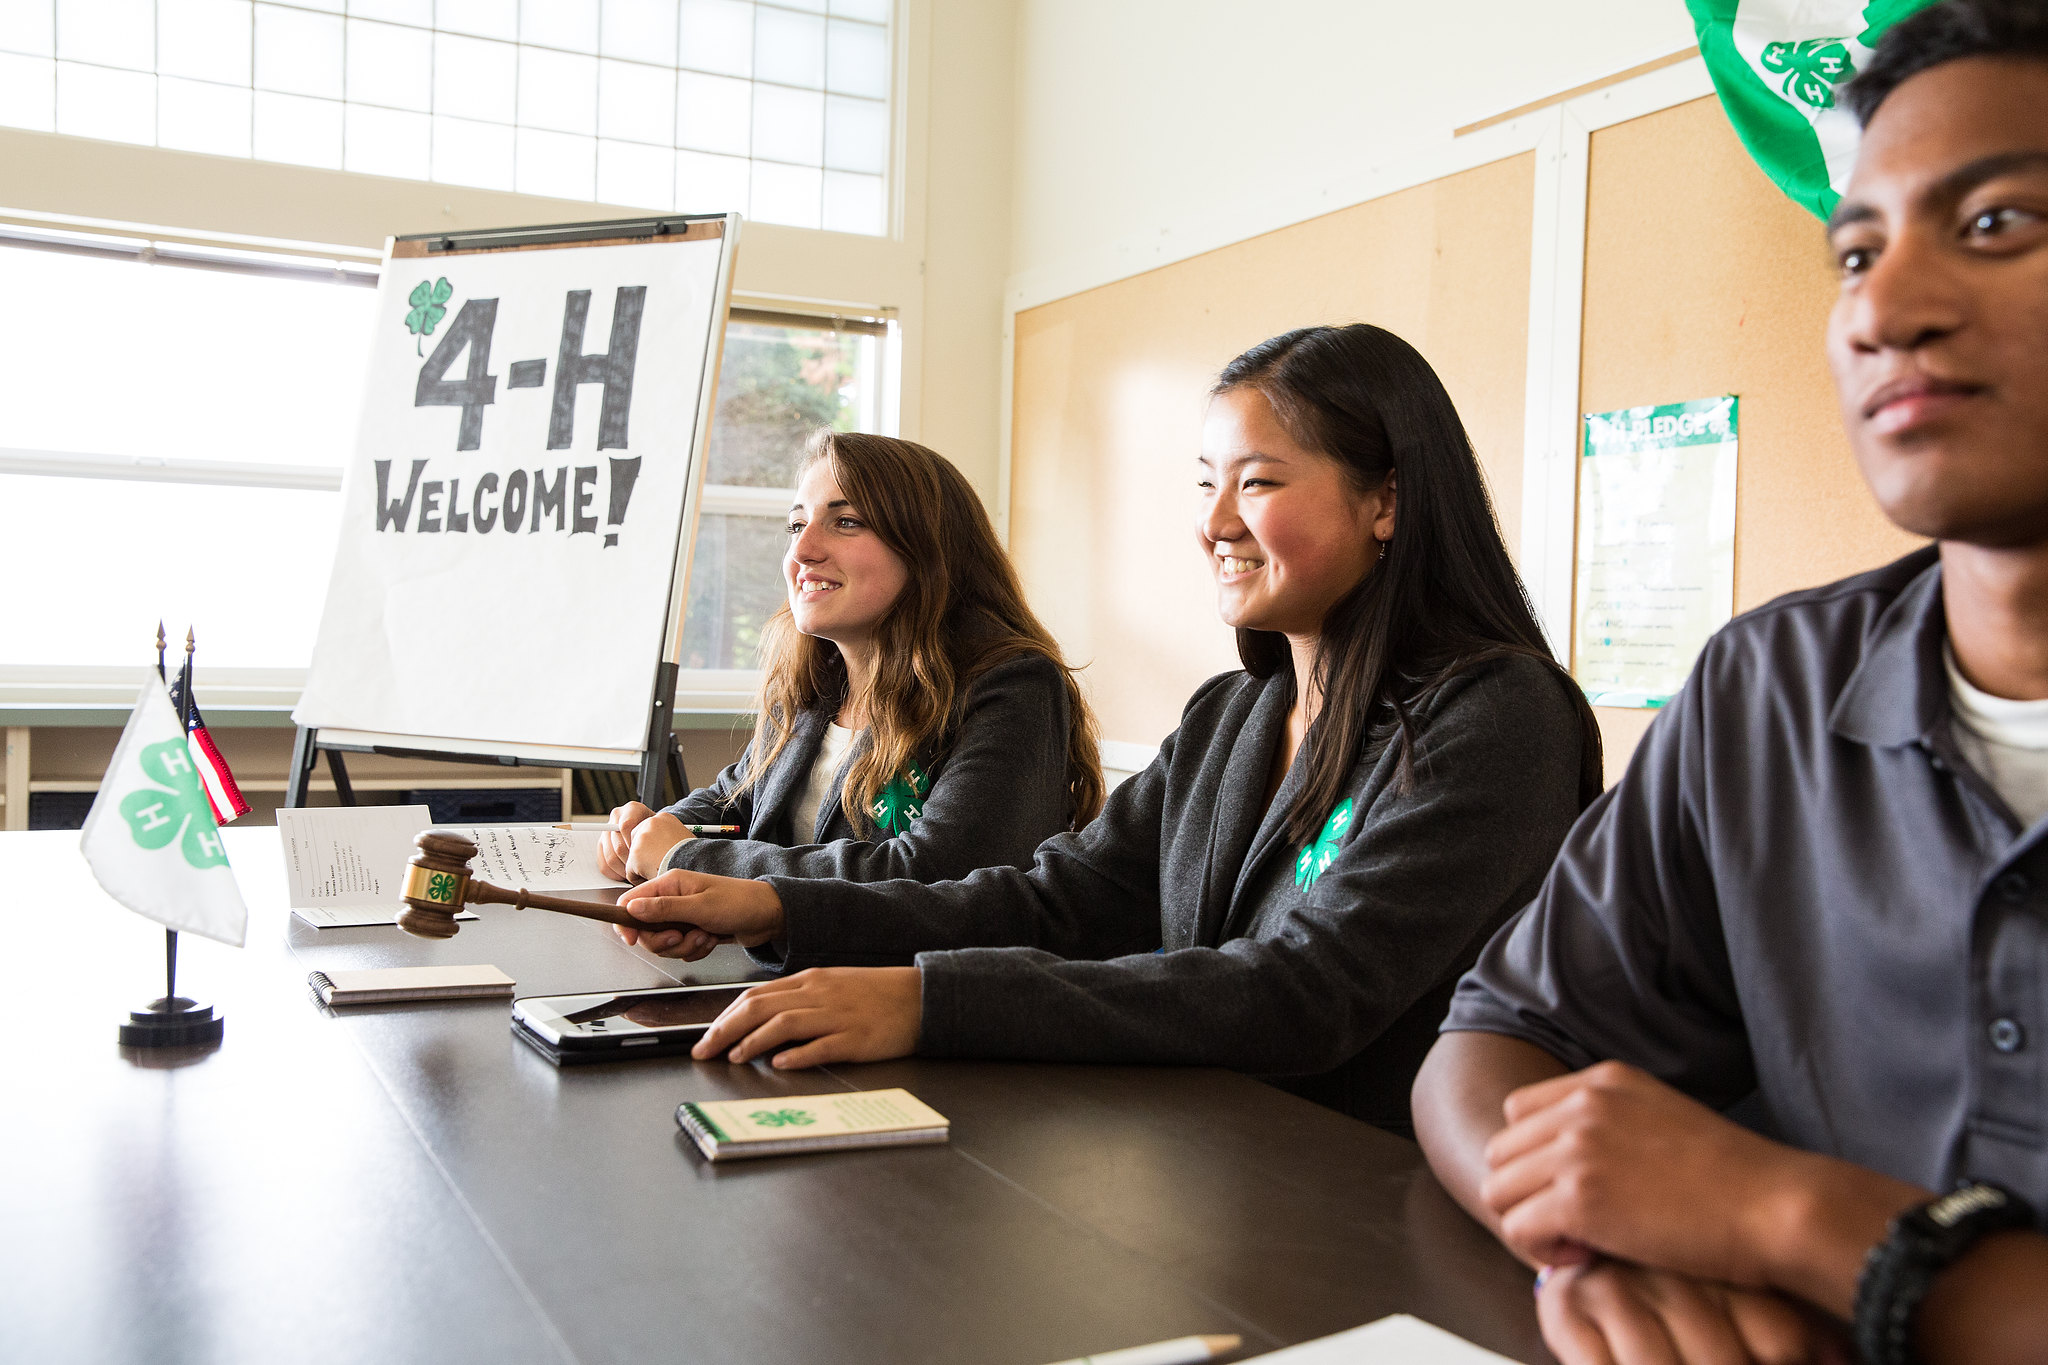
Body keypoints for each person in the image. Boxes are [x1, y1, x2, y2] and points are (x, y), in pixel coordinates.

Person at [1409, 5, 2048, 1361]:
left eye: (1996, 224)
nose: (1882, 308)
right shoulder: (1769, 688)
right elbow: (1493, 1046)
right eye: (1856, 250)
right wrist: (1596, 1243)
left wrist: (1790, 1218)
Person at [615, 323, 1604, 1133]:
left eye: (1256, 483)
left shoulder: (1499, 716)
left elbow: (1305, 993)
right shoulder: (1233, 716)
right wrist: (782, 910)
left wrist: (931, 1002)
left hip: (1366, 1209)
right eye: (1204, 483)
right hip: (1209, 1171)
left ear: (1385, 499)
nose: (1214, 522)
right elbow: (1059, 900)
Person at [599, 431, 1104, 963]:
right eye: (796, 524)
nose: (802, 550)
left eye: (845, 522)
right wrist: (648, 831)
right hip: (797, 989)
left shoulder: (1011, 686)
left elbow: (931, 879)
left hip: (921, 1014)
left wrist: (688, 859)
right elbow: (736, 803)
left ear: (930, 547)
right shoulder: (814, 682)